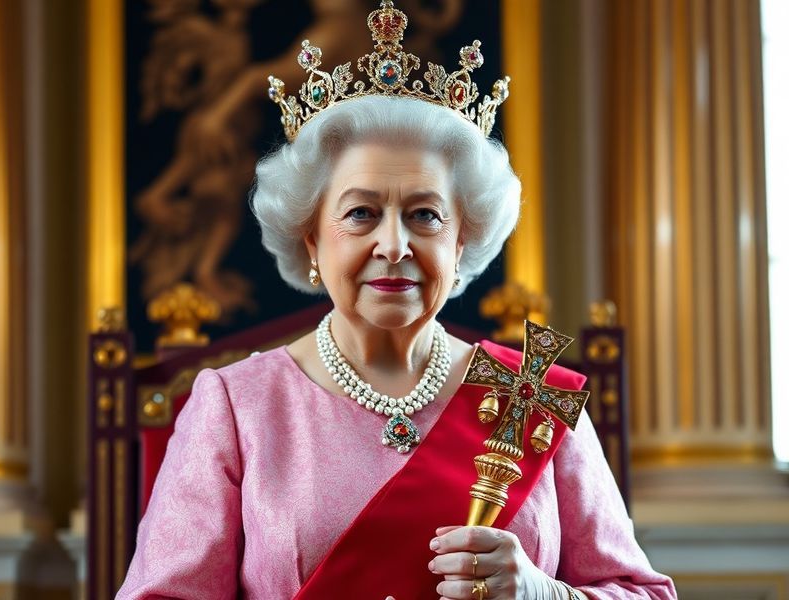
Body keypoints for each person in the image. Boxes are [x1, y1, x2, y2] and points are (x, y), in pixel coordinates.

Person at [117, 2, 677, 598]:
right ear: (312, 237)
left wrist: (542, 593)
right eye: (360, 213)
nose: (393, 245)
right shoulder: (236, 407)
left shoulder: (531, 397)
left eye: (425, 215)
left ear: (462, 241)